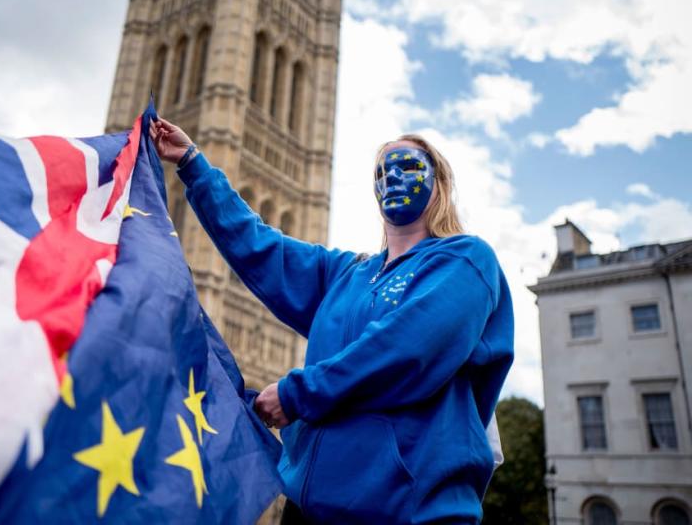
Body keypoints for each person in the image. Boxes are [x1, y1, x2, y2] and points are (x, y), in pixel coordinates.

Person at [149, 118, 514, 524]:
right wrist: (193, 165)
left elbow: (405, 348)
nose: (392, 176)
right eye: (381, 171)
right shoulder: (348, 274)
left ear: (439, 182)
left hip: (404, 512)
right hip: (307, 509)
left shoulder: (464, 259)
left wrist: (296, 395)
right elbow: (260, 245)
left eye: (407, 166)